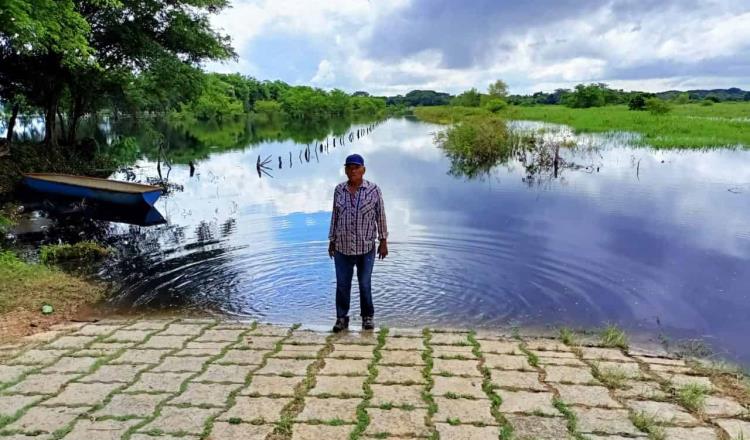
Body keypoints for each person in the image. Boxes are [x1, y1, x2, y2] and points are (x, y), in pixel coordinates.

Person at [328, 153, 388, 332]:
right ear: (345, 170)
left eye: (356, 167)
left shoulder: (373, 190)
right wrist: (332, 241)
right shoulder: (339, 190)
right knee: (342, 285)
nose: (352, 170)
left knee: (364, 284)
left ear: (363, 170)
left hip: (366, 247)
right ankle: (341, 318)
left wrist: (383, 241)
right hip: (342, 248)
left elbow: (380, 216)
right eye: (349, 167)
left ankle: (367, 317)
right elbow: (335, 216)